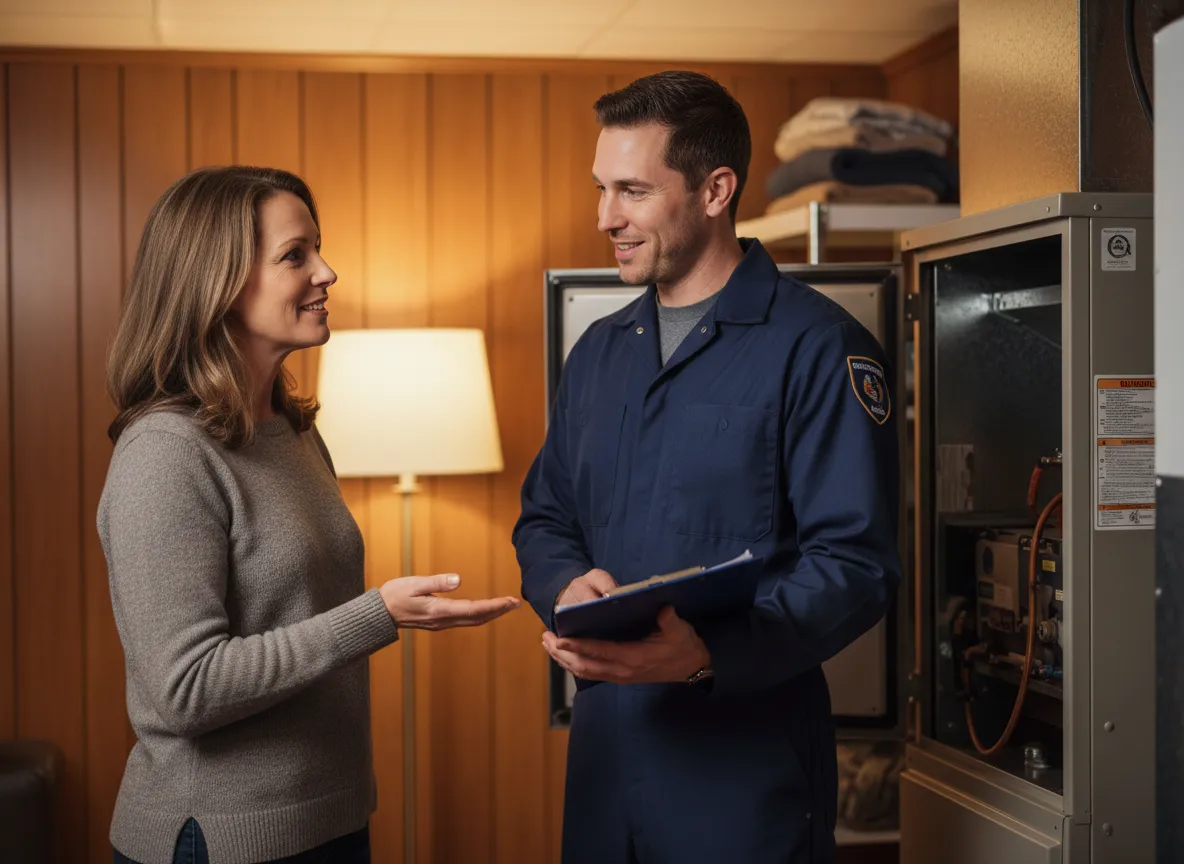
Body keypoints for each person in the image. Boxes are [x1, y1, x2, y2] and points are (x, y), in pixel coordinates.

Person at [512, 71, 901, 864]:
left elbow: (856, 564)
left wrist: (707, 655)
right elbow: (546, 516)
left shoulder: (819, 349)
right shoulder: (597, 354)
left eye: (632, 191)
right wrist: (562, 586)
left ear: (716, 189)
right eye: (601, 189)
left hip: (743, 778)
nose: (604, 218)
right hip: (605, 767)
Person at [99, 165, 520, 864]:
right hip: (220, 839)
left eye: (317, 249)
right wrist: (378, 614)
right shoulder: (165, 455)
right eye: (296, 255)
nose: (327, 272)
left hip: (328, 821)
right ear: (219, 281)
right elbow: (185, 690)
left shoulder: (292, 430)